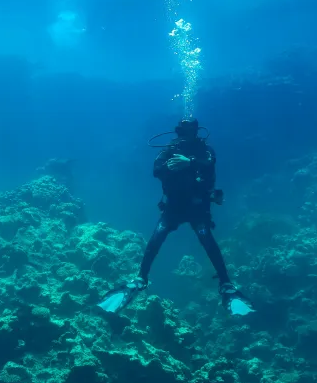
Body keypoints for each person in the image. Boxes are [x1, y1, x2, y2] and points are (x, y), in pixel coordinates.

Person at [98, 117, 253, 316]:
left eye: (189, 130)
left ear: (196, 131)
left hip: (197, 206)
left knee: (207, 240)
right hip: (174, 206)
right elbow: (156, 170)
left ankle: (226, 283)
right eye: (181, 130)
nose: (184, 134)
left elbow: (211, 163)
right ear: (178, 131)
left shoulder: (204, 150)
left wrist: (189, 162)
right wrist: (171, 167)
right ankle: (140, 278)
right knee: (156, 238)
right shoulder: (169, 150)